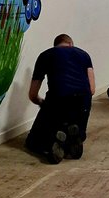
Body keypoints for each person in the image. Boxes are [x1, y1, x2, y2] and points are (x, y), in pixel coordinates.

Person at [26, 33, 95, 163]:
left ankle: (52, 141)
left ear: (56, 45)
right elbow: (92, 89)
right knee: (74, 127)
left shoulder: (46, 55)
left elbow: (32, 94)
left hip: (58, 98)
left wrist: (42, 103)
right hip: (83, 101)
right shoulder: (84, 55)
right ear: (71, 44)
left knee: (32, 141)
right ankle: (73, 138)